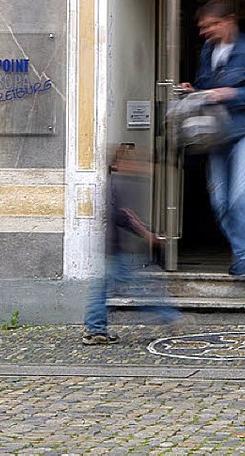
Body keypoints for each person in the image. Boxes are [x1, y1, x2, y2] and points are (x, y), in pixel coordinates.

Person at [181, 0, 245, 277]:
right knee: (221, 202)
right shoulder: (207, 52)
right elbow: (205, 85)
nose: (204, 32)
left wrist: (230, 94)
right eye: (203, 27)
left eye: (210, 25)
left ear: (228, 21)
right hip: (217, 134)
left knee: (242, 195)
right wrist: (194, 90)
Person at [82, 143, 181, 344]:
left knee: (100, 289)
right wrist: (147, 234)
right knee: (140, 286)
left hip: (111, 247)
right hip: (118, 248)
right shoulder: (118, 183)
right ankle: (169, 316)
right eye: (130, 160)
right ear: (119, 164)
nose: (135, 164)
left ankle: (95, 330)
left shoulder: (113, 182)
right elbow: (124, 217)